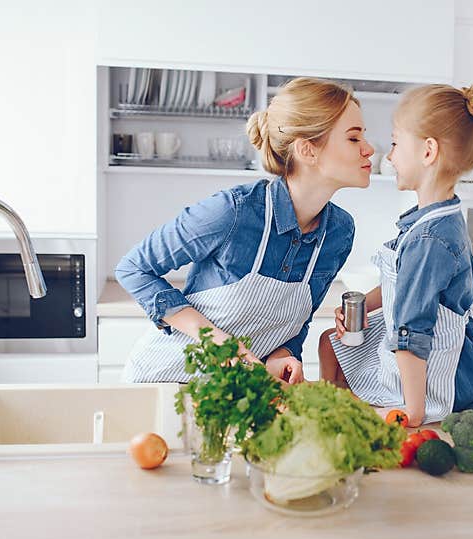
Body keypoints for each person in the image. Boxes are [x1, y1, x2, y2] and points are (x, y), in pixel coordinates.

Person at [116, 77, 374, 384]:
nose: (369, 149)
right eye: (354, 139)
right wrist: (218, 343)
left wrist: (282, 356)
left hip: (242, 394)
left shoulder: (338, 234)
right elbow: (133, 268)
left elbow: (294, 324)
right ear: (308, 150)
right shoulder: (234, 211)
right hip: (164, 382)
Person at [320, 83, 473, 427]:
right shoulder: (434, 220)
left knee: (338, 358)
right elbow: (403, 286)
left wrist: (413, 411)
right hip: (437, 361)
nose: (388, 155)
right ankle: (343, 406)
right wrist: (361, 305)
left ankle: (348, 410)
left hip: (442, 382)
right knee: (330, 343)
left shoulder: (430, 239)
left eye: (396, 143)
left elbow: (410, 331)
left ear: (428, 151)